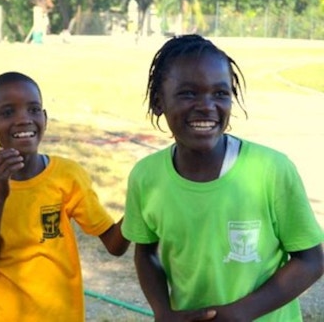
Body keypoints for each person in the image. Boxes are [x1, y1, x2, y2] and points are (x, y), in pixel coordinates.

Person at [121, 34, 324, 321]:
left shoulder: (271, 170)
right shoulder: (146, 177)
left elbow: (311, 260)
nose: (206, 106)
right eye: (188, 93)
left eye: (220, 93)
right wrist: (162, 311)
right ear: (158, 102)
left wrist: (242, 313)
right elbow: (147, 253)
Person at [0, 71, 130, 321]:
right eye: (7, 112)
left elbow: (114, 244)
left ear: (45, 118)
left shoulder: (68, 175)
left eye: (34, 109)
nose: (24, 119)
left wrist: (143, 197)